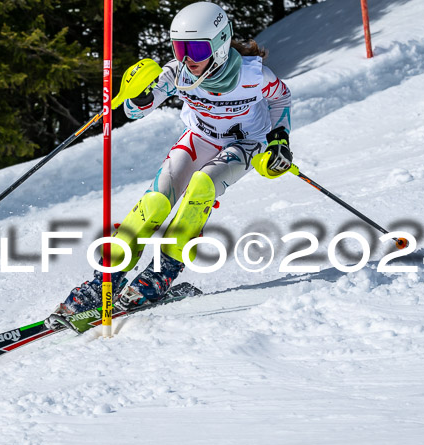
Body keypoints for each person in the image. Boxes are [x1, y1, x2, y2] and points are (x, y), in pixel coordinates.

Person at [52, 1, 293, 322]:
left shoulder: (254, 76)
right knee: (155, 202)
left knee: (202, 186)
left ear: (220, 45)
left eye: (196, 48)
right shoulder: (177, 71)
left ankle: (162, 271)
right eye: (180, 47)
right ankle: (105, 279)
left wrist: (280, 136)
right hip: (200, 137)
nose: (187, 58)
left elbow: (280, 97)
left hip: (245, 143)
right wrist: (138, 96)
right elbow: (137, 110)